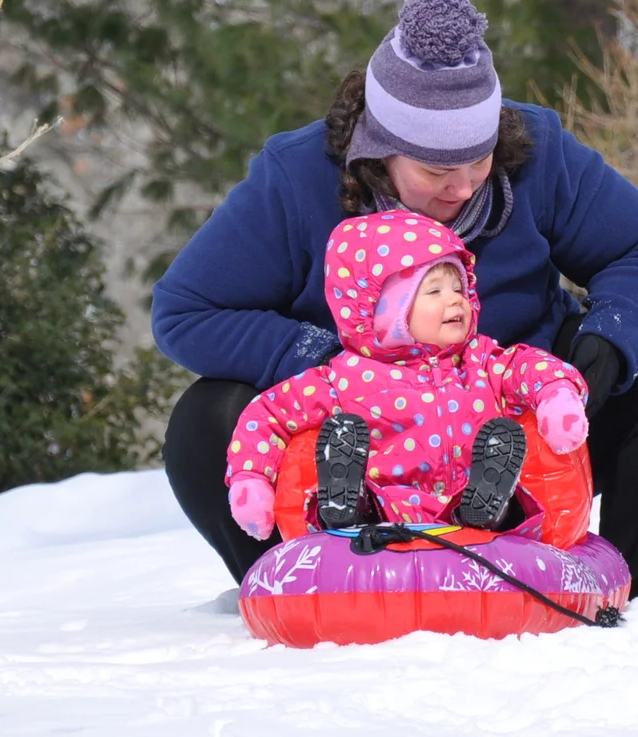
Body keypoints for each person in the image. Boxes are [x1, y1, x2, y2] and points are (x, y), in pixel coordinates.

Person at [153, 0, 638, 597]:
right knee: (208, 419)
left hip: (516, 424)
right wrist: (330, 365)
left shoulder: (539, 152)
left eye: (478, 163)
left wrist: (606, 343)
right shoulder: (295, 179)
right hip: (359, 449)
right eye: (436, 171)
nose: (461, 187)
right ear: (380, 151)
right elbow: (186, 310)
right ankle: (315, 594)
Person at [224, 212, 589, 537]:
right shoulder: (344, 379)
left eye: (459, 287)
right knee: (368, 500)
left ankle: (492, 506)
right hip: (389, 515)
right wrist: (250, 480)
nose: (456, 300)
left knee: (504, 500)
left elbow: (528, 366)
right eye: (434, 291)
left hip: (466, 506)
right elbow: (269, 414)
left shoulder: (480, 361)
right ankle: (348, 508)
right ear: (383, 311)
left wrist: (557, 395)